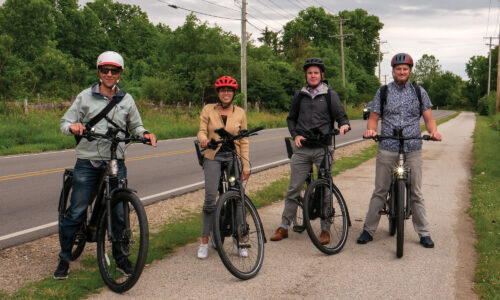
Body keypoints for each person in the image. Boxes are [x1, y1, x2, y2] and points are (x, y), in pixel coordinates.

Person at [54, 51, 157, 279]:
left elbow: (136, 126)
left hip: (114, 160)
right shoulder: (84, 97)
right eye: (105, 70)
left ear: (120, 73)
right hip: (88, 161)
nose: (109, 74)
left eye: (114, 70)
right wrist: (73, 127)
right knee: (78, 210)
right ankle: (64, 257)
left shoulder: (126, 100)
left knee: (120, 212)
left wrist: (146, 134)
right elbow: (65, 122)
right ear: (99, 71)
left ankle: (121, 259)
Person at [357, 52, 442, 248]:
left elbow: (429, 119)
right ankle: (368, 230)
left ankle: (424, 233)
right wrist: (371, 129)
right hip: (388, 145)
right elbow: (374, 117)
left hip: (412, 146)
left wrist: (434, 132)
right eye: (398, 69)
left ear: (410, 71)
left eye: (405, 69)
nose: (401, 72)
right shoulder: (383, 91)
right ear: (393, 71)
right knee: (380, 190)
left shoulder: (419, 91)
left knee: (416, 192)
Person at [270, 57, 350, 243]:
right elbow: (291, 118)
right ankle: (284, 226)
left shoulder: (330, 94)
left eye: (316, 73)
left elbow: (341, 116)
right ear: (306, 75)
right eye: (309, 73)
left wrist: (344, 125)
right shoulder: (300, 95)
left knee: (325, 188)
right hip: (302, 148)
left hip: (323, 148)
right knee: (293, 188)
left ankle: (325, 229)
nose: (313, 76)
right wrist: (295, 135)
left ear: (321, 75)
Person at [196, 76, 250, 259]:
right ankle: (205, 240)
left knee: (238, 196)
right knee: (210, 198)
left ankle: (241, 239)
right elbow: (202, 130)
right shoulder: (208, 109)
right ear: (218, 93)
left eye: (229, 90)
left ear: (233, 93)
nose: (226, 93)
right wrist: (204, 140)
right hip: (213, 156)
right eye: (222, 90)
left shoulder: (240, 112)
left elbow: (243, 139)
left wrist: (246, 165)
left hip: (232, 157)